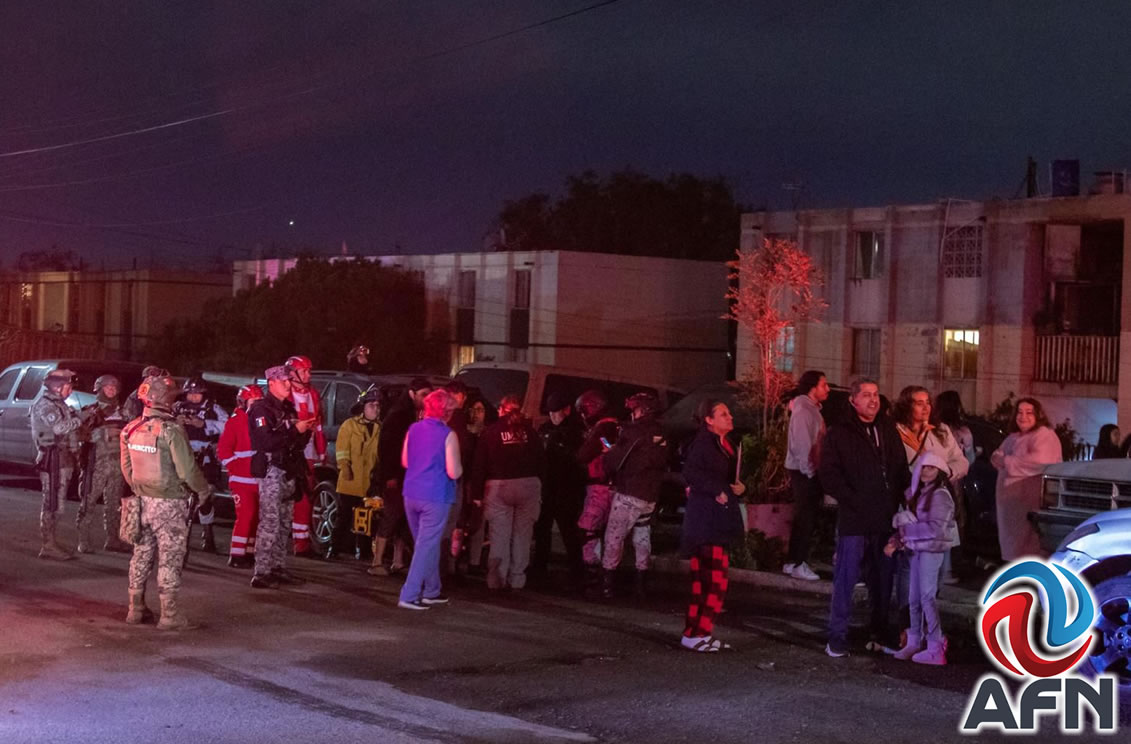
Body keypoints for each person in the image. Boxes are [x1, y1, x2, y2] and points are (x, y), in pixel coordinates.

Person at [819, 378, 910, 658]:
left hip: (885, 518)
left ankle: (879, 632)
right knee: (846, 579)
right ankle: (837, 637)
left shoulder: (888, 430)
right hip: (855, 519)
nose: (873, 400)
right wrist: (854, 499)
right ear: (853, 400)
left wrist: (903, 498)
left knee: (883, 579)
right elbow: (829, 475)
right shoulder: (839, 434)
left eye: (876, 395)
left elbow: (899, 467)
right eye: (866, 395)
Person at [120, 373, 214, 629]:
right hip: (170, 502)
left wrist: (142, 488)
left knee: (141, 554)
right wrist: (203, 491)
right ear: (167, 399)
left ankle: (135, 609)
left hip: (141, 502)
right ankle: (170, 615)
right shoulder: (171, 430)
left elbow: (127, 471)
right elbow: (187, 471)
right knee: (170, 557)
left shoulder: (130, 429)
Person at [891, 386, 969, 615]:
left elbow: (960, 461)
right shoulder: (896, 432)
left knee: (938, 565)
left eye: (927, 402)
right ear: (907, 405)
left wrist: (946, 473)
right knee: (910, 561)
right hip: (910, 502)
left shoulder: (941, 431)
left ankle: (927, 614)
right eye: (919, 403)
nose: (926, 407)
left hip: (938, 502)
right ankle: (907, 619)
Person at [679, 399, 746, 652]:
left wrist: (738, 487)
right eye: (723, 414)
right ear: (708, 420)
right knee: (711, 581)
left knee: (710, 581)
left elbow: (721, 478)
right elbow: (692, 474)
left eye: (729, 412)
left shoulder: (723, 444)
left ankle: (699, 632)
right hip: (706, 522)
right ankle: (696, 633)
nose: (730, 417)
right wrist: (717, 491)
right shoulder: (704, 444)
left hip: (716, 521)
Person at [248, 366, 317, 589]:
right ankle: (261, 571)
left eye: (289, 380)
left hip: (288, 470)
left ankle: (277, 566)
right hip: (272, 470)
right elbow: (266, 442)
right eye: (284, 381)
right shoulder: (261, 409)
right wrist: (294, 431)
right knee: (269, 521)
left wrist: (305, 432)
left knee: (284, 521)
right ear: (271, 383)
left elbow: (294, 443)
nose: (289, 384)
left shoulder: (287, 408)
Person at [888, 451, 959, 665]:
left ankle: (935, 646)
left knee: (927, 597)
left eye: (931, 468)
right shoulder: (923, 493)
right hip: (919, 549)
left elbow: (936, 528)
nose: (926, 471)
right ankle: (914, 641)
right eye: (924, 467)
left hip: (931, 550)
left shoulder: (939, 495)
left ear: (940, 472)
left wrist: (907, 532)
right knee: (914, 597)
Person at [470, 394, 545, 591]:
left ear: (501, 409)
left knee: (499, 536)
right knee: (522, 535)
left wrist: (477, 495)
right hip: (528, 486)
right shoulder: (531, 432)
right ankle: (518, 579)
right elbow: (541, 461)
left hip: (499, 486)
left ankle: (497, 578)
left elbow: (480, 464)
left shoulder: (491, 432)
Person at [397, 389, 462, 610]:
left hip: (411, 493)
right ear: (446, 411)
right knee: (426, 546)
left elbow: (405, 461)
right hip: (435, 495)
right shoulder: (448, 435)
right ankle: (409, 593)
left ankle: (432, 590)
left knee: (426, 545)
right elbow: (454, 472)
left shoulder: (413, 429)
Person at [599, 392, 668, 599]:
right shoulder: (661, 432)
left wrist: (608, 453)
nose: (632, 413)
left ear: (642, 410)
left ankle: (606, 585)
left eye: (634, 409)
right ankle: (641, 584)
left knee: (614, 536)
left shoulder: (633, 431)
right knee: (642, 536)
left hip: (630, 492)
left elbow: (615, 461)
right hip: (650, 494)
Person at [373, 378, 433, 575]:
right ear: (411, 394)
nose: (426, 399)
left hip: (411, 475)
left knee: (405, 519)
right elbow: (387, 447)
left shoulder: (417, 415)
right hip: (397, 475)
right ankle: (377, 562)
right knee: (391, 516)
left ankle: (398, 560)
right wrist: (390, 475)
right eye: (423, 394)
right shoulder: (398, 416)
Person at [990, 398, 1061, 561]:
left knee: (1031, 550)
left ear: (1038, 415)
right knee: (1014, 550)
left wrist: (1007, 461)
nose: (1023, 417)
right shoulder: (1013, 438)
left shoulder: (1044, 435)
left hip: (1031, 503)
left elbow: (1039, 462)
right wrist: (1002, 459)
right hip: (1010, 507)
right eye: (1020, 412)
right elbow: (996, 455)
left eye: (1029, 413)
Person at [532, 392, 586, 585]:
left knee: (568, 531)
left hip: (566, 489)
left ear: (567, 410)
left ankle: (577, 571)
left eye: (557, 412)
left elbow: (580, 461)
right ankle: (539, 568)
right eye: (551, 412)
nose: (554, 416)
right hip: (547, 488)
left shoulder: (575, 431)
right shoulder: (545, 429)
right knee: (542, 530)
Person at [30, 369, 83, 560]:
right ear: (57, 387)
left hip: (63, 459)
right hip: (51, 459)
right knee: (51, 502)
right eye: (69, 386)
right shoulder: (45, 405)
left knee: (58, 504)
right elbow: (59, 428)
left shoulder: (61, 405)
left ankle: (51, 542)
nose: (71, 390)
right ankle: (48, 545)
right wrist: (79, 419)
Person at [783, 370, 829, 582]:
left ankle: (793, 561)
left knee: (805, 516)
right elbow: (802, 443)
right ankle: (798, 562)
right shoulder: (804, 410)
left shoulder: (810, 409)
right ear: (812, 387)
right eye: (823, 385)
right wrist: (809, 471)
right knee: (806, 517)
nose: (827, 389)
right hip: (805, 471)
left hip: (807, 469)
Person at [78, 374, 133, 554]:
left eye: (114, 387)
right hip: (98, 464)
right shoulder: (91, 411)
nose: (111, 390)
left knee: (114, 502)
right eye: (107, 387)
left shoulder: (124, 412)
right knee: (89, 501)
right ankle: (83, 540)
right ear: (99, 389)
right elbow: (81, 435)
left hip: (117, 463)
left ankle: (113, 539)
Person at [174, 376, 229, 553]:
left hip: (205, 457)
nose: (194, 397)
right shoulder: (177, 408)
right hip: (183, 455)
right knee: (178, 496)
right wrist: (177, 422)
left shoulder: (214, 409)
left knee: (205, 496)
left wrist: (204, 424)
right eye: (190, 393)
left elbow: (228, 426)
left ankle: (208, 535)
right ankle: (176, 536)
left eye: (197, 394)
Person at [574, 389, 620, 592]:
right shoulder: (618, 426)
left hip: (599, 486)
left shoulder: (603, 428)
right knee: (608, 532)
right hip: (614, 487)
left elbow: (583, 455)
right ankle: (606, 575)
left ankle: (593, 573)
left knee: (588, 529)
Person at [333, 386, 381, 560]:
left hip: (367, 482)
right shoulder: (349, 425)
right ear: (363, 407)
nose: (375, 409)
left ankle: (364, 551)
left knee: (366, 519)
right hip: (350, 481)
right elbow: (342, 449)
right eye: (371, 405)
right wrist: (345, 467)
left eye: (377, 405)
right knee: (344, 516)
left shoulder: (378, 428)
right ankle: (334, 548)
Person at [285, 355, 326, 557]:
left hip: (307, 453)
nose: (309, 375)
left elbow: (318, 424)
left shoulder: (314, 394)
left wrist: (321, 450)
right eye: (305, 371)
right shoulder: (284, 393)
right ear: (293, 373)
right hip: (287, 453)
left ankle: (301, 544)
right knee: (279, 499)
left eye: (309, 371)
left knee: (304, 499)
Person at [219, 384, 264, 569]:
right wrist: (234, 468)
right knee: (245, 516)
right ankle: (236, 554)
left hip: (257, 479)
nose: (256, 405)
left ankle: (249, 552)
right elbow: (223, 450)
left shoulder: (261, 420)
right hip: (241, 480)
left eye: (259, 402)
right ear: (243, 402)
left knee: (256, 518)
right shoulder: (235, 421)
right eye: (253, 401)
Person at [935, 390, 974, 585]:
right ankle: (948, 569)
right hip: (954, 482)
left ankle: (936, 568)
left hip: (934, 481)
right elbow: (971, 459)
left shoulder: (935, 429)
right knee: (952, 523)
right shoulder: (963, 432)